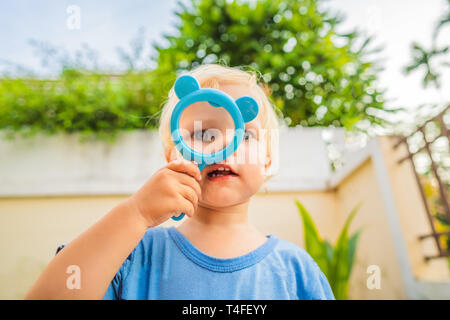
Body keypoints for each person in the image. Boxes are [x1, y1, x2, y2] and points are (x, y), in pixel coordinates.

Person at [24, 63, 335, 300]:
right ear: (173, 154)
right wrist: (136, 213)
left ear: (268, 160)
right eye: (202, 133)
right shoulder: (132, 254)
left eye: (246, 133)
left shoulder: (297, 271)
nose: (222, 146)